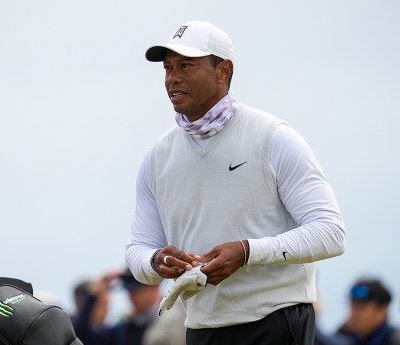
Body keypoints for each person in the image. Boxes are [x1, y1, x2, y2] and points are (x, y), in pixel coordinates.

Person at [125, 19, 346, 345]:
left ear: (223, 71)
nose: (173, 77)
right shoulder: (157, 157)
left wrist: (247, 252)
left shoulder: (273, 137)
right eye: (168, 68)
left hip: (276, 320)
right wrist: (157, 261)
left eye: (186, 65)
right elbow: (138, 250)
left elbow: (331, 233)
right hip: (200, 328)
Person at [335, 279, 400, 345]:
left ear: (382, 310)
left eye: (360, 307)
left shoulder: (395, 340)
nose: (353, 312)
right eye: (352, 305)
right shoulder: (346, 337)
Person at [108, 269, 162, 345]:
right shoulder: (125, 329)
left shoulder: (178, 320)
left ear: (153, 287)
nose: (131, 297)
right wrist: (93, 295)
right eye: (129, 292)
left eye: (136, 291)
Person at [71, 273, 118, 345]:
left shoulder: (110, 334)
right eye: (103, 305)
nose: (107, 310)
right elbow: (81, 330)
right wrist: (93, 295)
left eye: (107, 305)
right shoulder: (68, 331)